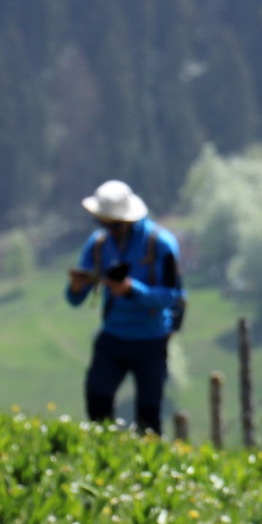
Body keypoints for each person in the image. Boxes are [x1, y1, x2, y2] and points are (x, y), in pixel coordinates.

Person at [65, 179, 185, 433]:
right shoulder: (97, 245)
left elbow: (173, 296)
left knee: (149, 413)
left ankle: (147, 465)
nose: (109, 229)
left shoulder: (161, 245)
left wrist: (132, 291)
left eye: (115, 225)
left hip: (151, 340)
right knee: (97, 398)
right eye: (103, 222)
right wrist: (76, 287)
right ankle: (104, 454)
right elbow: (74, 299)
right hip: (113, 336)